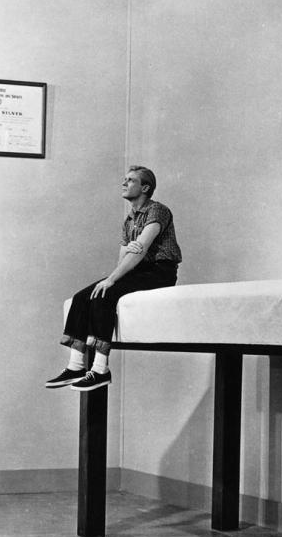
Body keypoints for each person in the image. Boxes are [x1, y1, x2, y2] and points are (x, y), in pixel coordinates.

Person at [45, 165, 182, 392]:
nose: (124, 183)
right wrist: (122, 264)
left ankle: (101, 369)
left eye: (130, 180)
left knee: (105, 293)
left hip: (160, 272)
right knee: (81, 297)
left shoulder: (157, 210)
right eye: (124, 179)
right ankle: (75, 366)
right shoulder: (129, 220)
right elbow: (124, 258)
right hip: (137, 269)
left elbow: (140, 249)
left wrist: (112, 279)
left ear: (145, 187)